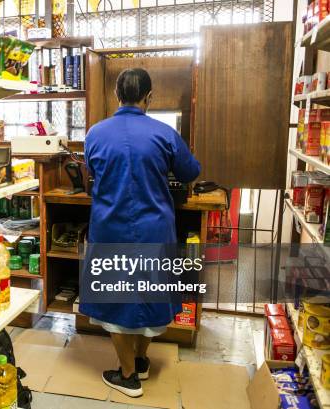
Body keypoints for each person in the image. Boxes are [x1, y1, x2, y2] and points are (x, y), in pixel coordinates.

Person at [79, 68, 201, 398]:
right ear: (149, 97)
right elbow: (191, 171)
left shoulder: (95, 134)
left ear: (117, 96)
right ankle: (141, 362)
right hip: (154, 228)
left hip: (110, 228)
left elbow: (92, 174)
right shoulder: (164, 134)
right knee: (151, 293)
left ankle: (128, 374)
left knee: (115, 299)